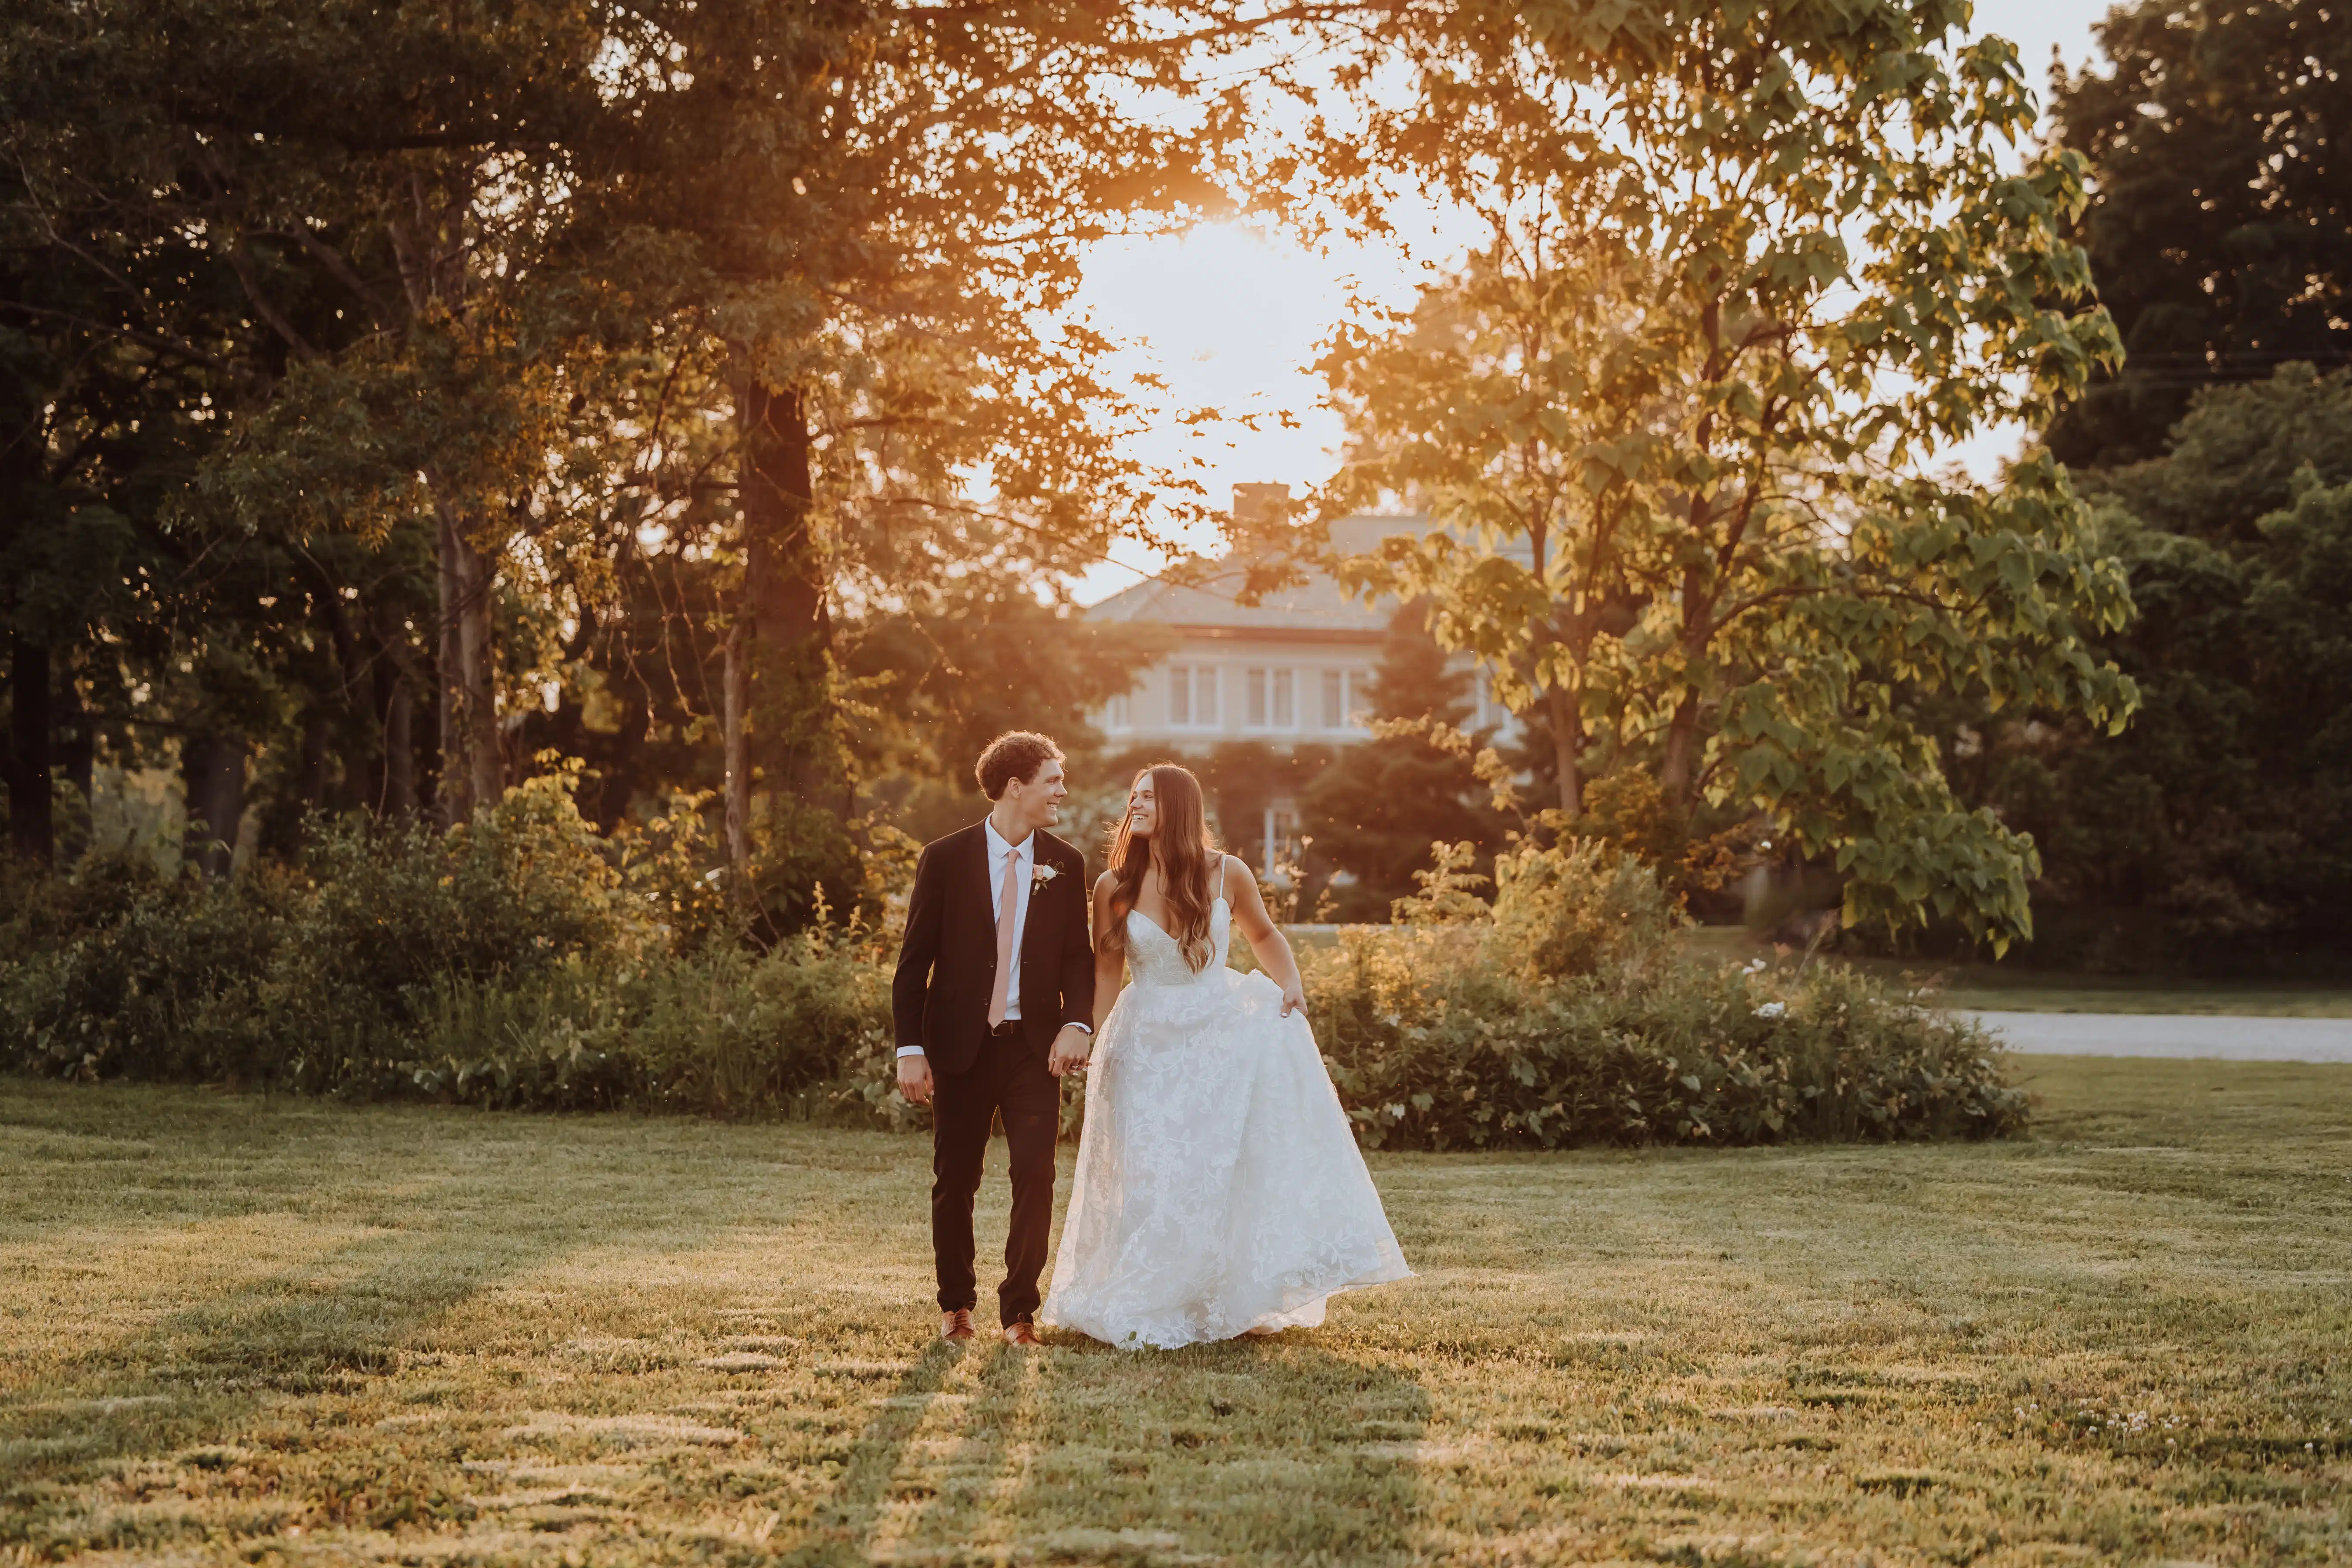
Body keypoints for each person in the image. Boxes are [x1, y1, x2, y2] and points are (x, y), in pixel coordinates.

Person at [1040, 763, 1411, 1349]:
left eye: (1146, 798)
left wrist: (1290, 982)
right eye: (1132, 797)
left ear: (1178, 807)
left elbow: (1263, 934)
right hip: (1146, 1040)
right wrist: (1089, 1031)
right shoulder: (1115, 887)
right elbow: (1107, 971)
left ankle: (1217, 1295)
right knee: (1150, 1168)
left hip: (1218, 1036)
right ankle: (1150, 1290)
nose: (1133, 806)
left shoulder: (1227, 872)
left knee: (1212, 1167)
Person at [891, 732, 1096, 1347]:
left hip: (1034, 1050)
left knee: (1036, 1176)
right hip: (959, 1047)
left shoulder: (1065, 862)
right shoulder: (945, 859)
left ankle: (1019, 1314)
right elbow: (913, 963)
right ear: (1016, 786)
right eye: (1053, 779)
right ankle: (956, 1306)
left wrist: (1077, 1023)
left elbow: (1078, 961)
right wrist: (910, 1048)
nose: (1063, 790)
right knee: (956, 1179)